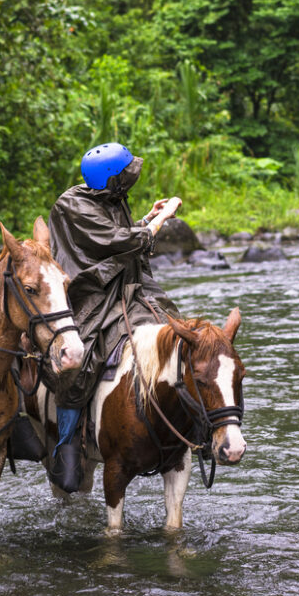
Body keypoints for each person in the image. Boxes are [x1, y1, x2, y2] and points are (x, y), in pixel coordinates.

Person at [47, 142, 182, 491]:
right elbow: (121, 242)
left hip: (132, 289)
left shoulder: (110, 198)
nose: (129, 181)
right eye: (124, 176)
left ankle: (191, 427)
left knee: (181, 339)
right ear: (111, 179)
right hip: (93, 294)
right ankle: (67, 446)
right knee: (81, 362)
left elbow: (121, 238)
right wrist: (164, 219)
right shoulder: (71, 205)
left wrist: (148, 219)